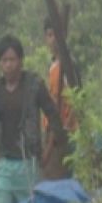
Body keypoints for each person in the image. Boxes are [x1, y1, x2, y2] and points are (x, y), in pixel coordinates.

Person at [0, 35, 67, 203]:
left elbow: (53, 115)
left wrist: (47, 150)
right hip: (5, 162)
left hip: (28, 161)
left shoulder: (33, 85)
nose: (9, 65)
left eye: (12, 60)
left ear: (20, 61)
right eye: (4, 60)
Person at [42, 17, 78, 179]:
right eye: (49, 35)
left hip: (66, 134)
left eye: (55, 34)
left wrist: (65, 127)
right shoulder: (53, 66)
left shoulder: (68, 65)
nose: (53, 40)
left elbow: (77, 100)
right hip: (52, 133)